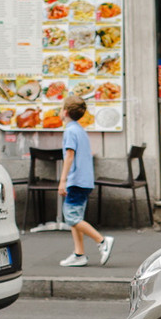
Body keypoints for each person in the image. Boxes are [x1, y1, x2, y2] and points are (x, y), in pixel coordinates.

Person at [57, 97, 113, 267]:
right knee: (76, 218)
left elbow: (69, 155)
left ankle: (102, 240)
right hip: (84, 180)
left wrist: (62, 180)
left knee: (71, 218)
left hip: (76, 180)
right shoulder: (79, 130)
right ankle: (79, 254)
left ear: (65, 112)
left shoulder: (70, 131)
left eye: (60, 108)